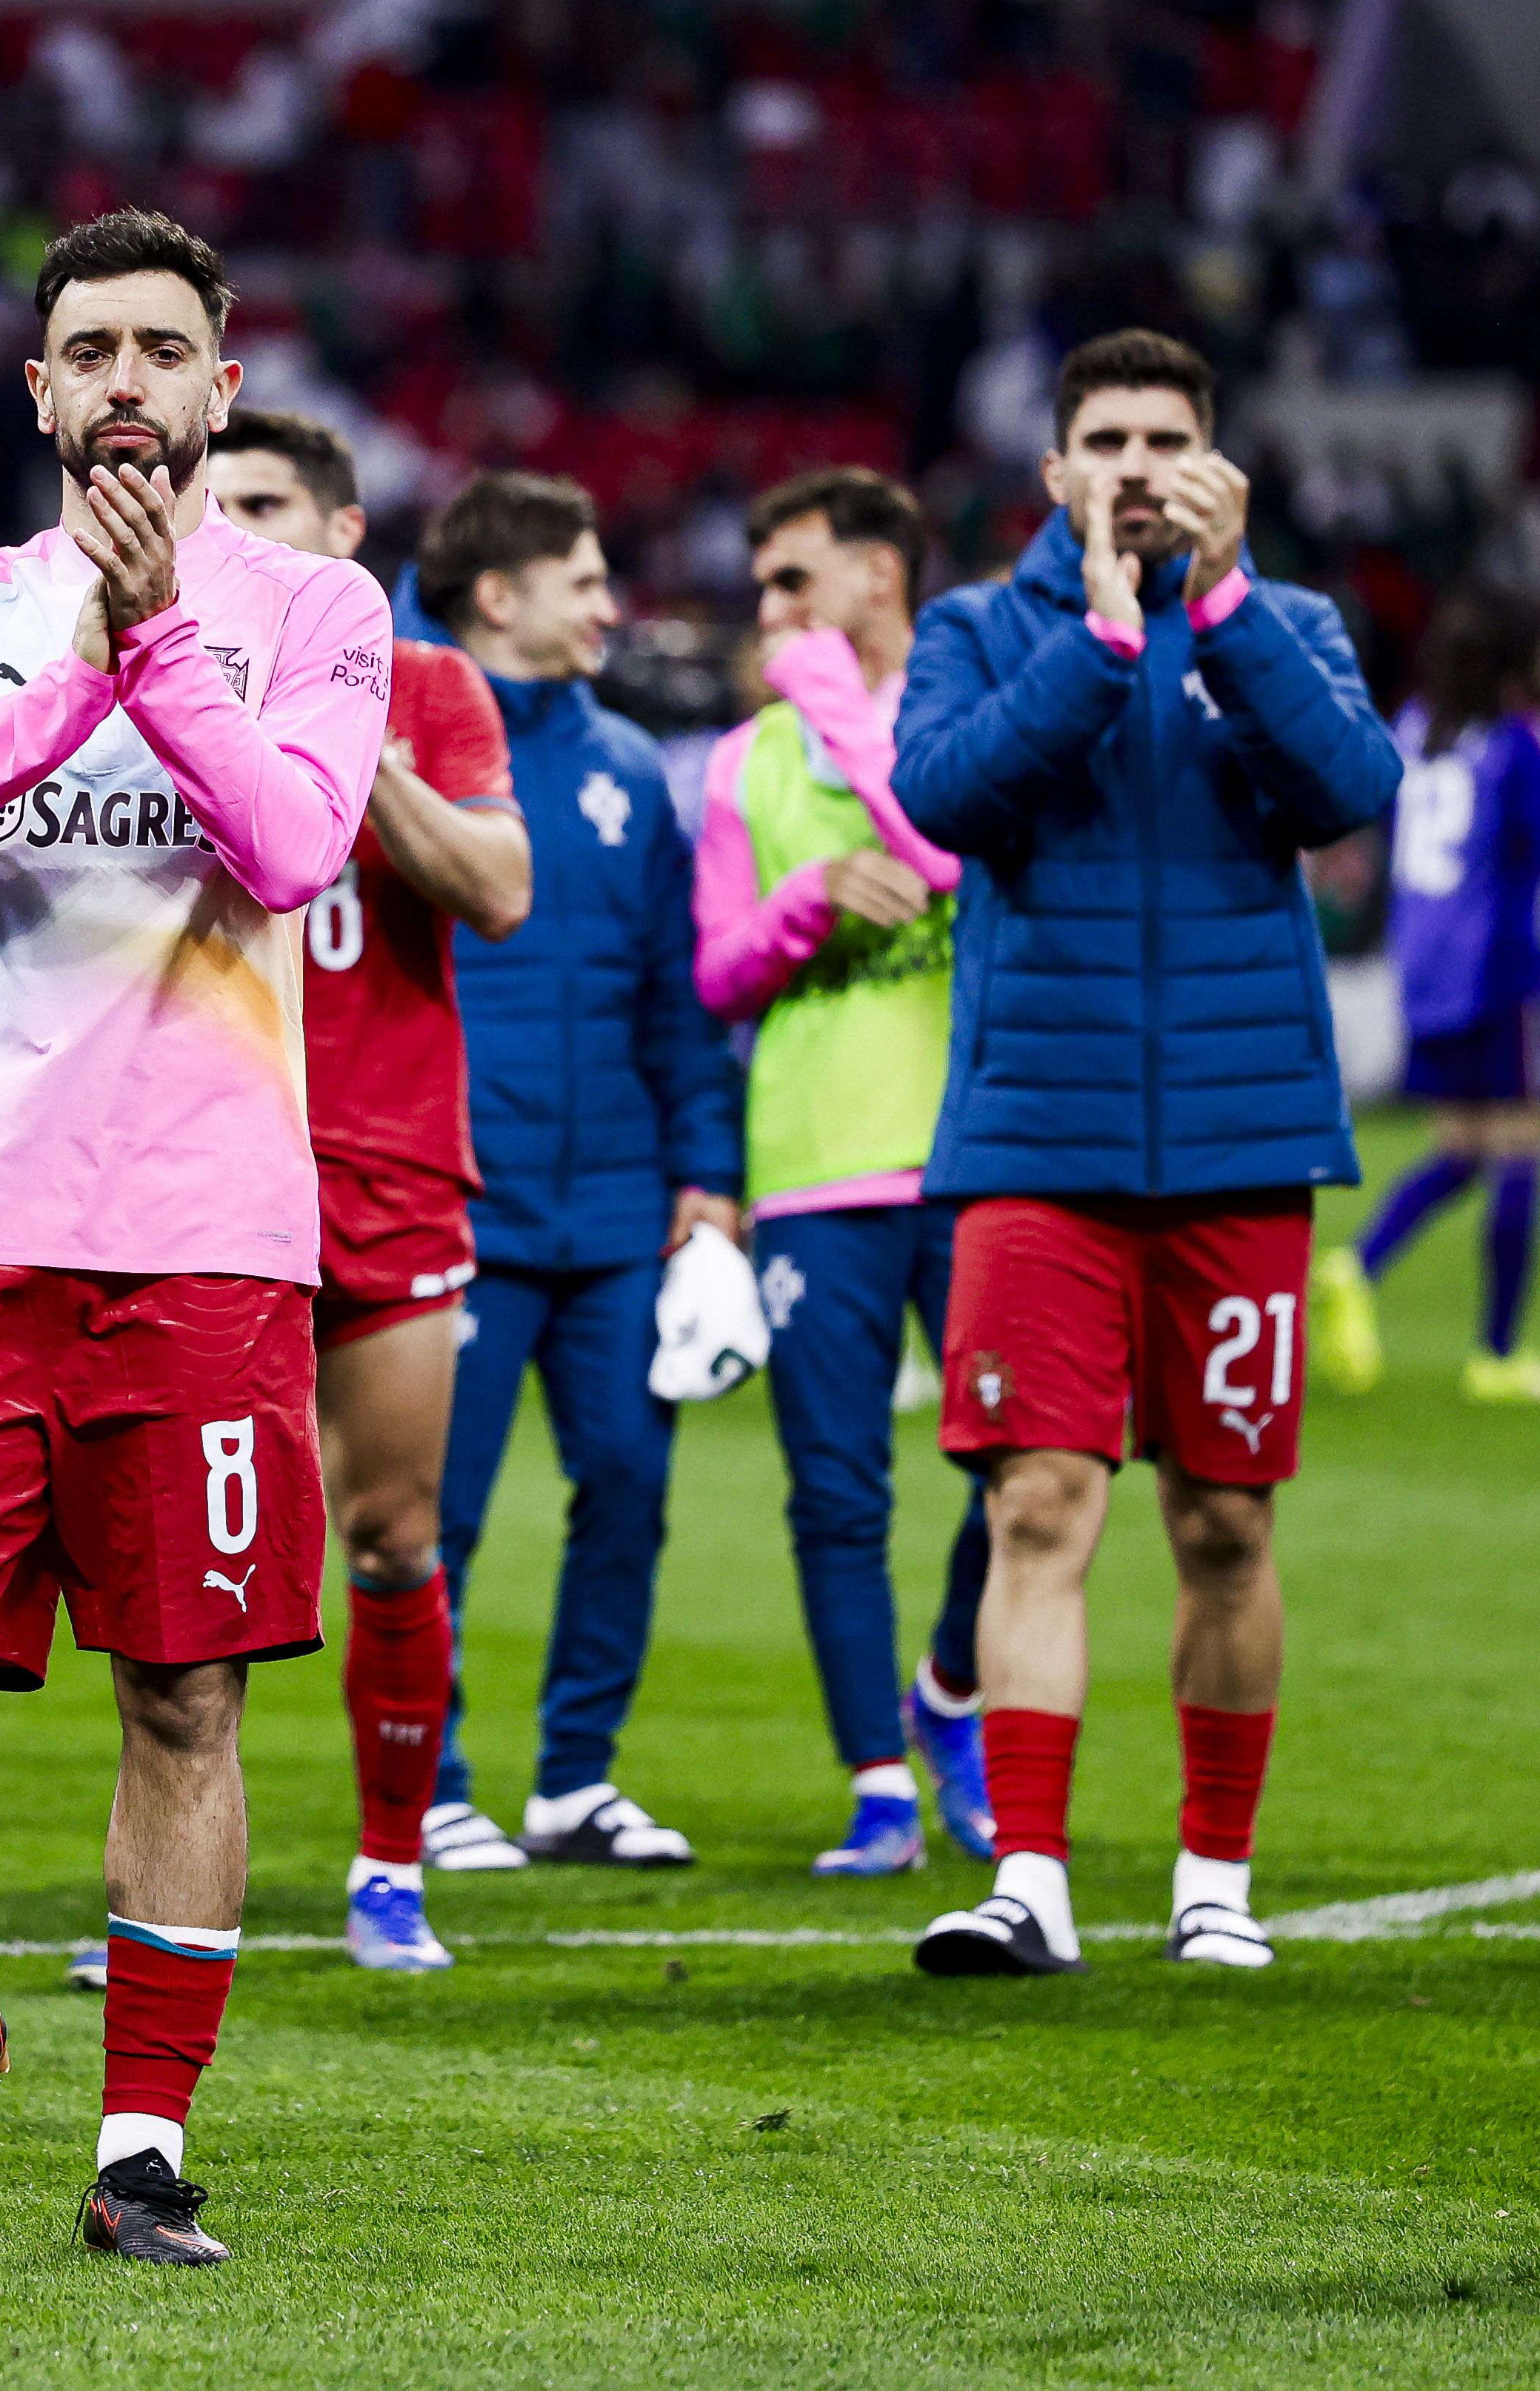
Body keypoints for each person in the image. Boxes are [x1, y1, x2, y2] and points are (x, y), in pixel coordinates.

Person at [0, 209, 386, 2262]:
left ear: (225, 385)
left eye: (163, 346)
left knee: (185, 1696)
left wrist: (160, 653)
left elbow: (298, 840)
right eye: (89, 349)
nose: (126, 379)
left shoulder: (317, 606)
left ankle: (140, 2143)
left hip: (209, 1240)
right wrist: (89, 666)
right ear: (36, 389)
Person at [890, 327, 1400, 1981]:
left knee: (1225, 1529)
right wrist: (1103, 643)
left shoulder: (1290, 623)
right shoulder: (979, 629)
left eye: (1163, 435)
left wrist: (1224, 606)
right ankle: (1028, 1876)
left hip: (1242, 1152)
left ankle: (1213, 1877)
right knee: (1038, 1505)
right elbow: (945, 797)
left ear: (1218, 461)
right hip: (1034, 1143)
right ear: (1051, 472)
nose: (1129, 463)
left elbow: (1345, 790)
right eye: (1100, 438)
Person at [219, 408, 528, 1972]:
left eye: (268, 502)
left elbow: (498, 889)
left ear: (345, 531)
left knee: (394, 1531)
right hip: (199, 1167)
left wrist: (372, 759)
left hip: (390, 1162)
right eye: (219, 502)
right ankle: (178, 1871)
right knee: (191, 1559)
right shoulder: (160, 672)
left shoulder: (431, 687)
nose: (238, 525)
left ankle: (390, 1869)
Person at [422, 470, 744, 1874]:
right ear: (499, 596)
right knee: (434, 1514)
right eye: (585, 577)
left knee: (628, 1481)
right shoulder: (405, 748)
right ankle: (426, 1781)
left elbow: (673, 996)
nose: (612, 603)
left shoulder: (626, 768)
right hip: (460, 1200)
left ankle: (573, 1779)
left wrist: (706, 1174)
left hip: (617, 1208)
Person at [697, 468, 997, 1875]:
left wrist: (843, 727)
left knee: (1028, 1466)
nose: (771, 611)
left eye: (795, 578)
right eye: (760, 585)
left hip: (985, 1142)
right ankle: (879, 1782)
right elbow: (717, 972)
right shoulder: (739, 760)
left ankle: (946, 1690)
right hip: (813, 1159)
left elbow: (949, 858)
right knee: (833, 1488)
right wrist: (805, 902)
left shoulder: (972, 715)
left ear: (881, 575)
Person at [1312, 602, 1540, 1408]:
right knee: (1519, 1148)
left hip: (1424, 966)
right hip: (1499, 968)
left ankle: (1357, 1263)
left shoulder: (1413, 724)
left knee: (1464, 1146)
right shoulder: (1521, 737)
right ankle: (1498, 1352)